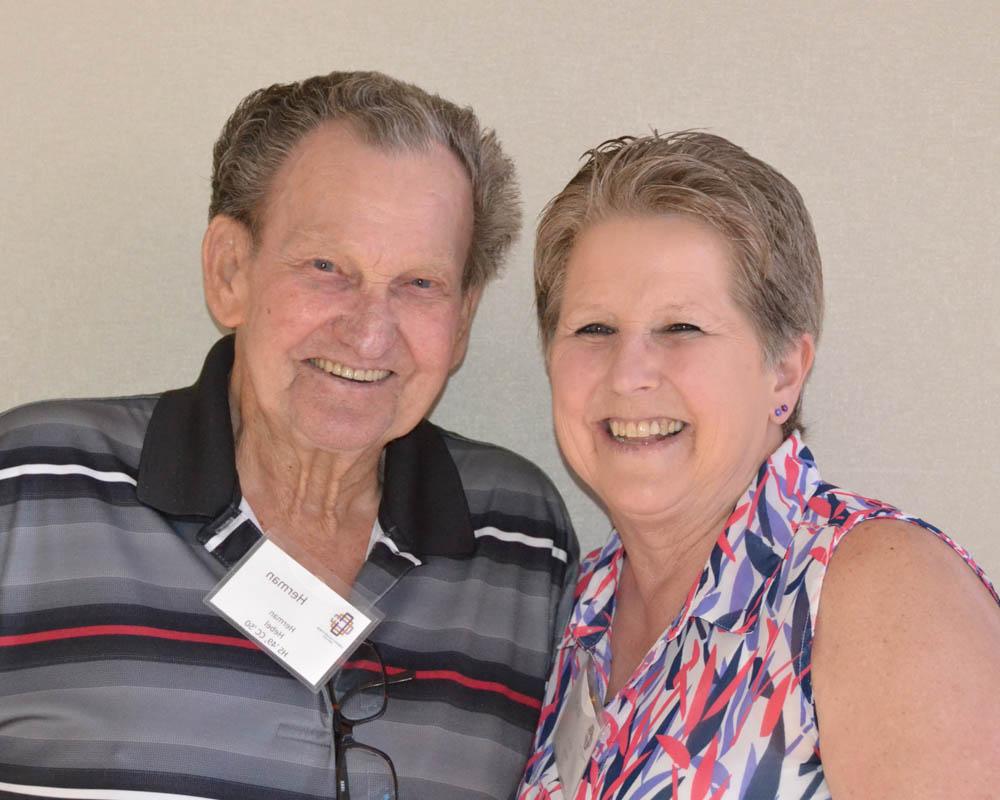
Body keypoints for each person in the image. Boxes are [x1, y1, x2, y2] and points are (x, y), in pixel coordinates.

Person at [0, 71, 578, 800]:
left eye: (419, 284)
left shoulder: (521, 540)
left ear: (462, 319)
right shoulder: (29, 489)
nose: (369, 331)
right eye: (326, 268)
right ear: (230, 271)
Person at [517, 132, 1000, 799]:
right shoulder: (581, 609)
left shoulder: (873, 590)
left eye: (681, 328)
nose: (628, 375)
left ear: (785, 372)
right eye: (594, 329)